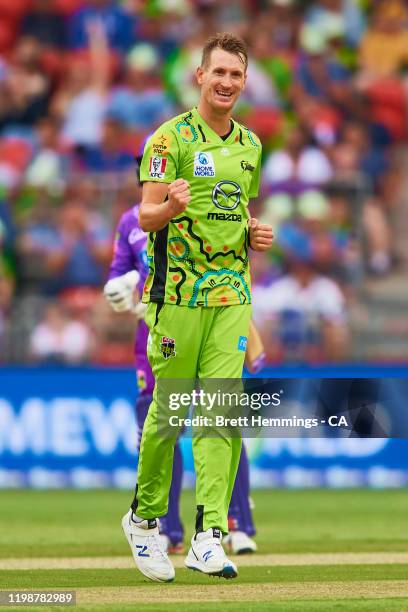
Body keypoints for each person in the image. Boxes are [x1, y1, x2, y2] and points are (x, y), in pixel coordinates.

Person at [121, 32, 273, 582]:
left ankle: (209, 535)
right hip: (176, 295)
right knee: (170, 414)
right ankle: (143, 519)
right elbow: (144, 217)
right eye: (219, 73)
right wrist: (170, 207)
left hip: (231, 291)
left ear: (244, 81)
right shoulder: (168, 140)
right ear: (200, 78)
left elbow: (237, 211)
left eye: (236, 74)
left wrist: (253, 233)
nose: (227, 82)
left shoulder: (251, 145)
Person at [104, 195, 259, 555]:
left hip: (206, 322)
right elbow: (118, 274)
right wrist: (121, 293)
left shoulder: (208, 208)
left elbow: (230, 272)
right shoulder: (132, 221)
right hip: (155, 331)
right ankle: (163, 527)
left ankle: (234, 524)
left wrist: (250, 331)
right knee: (161, 422)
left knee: (222, 416)